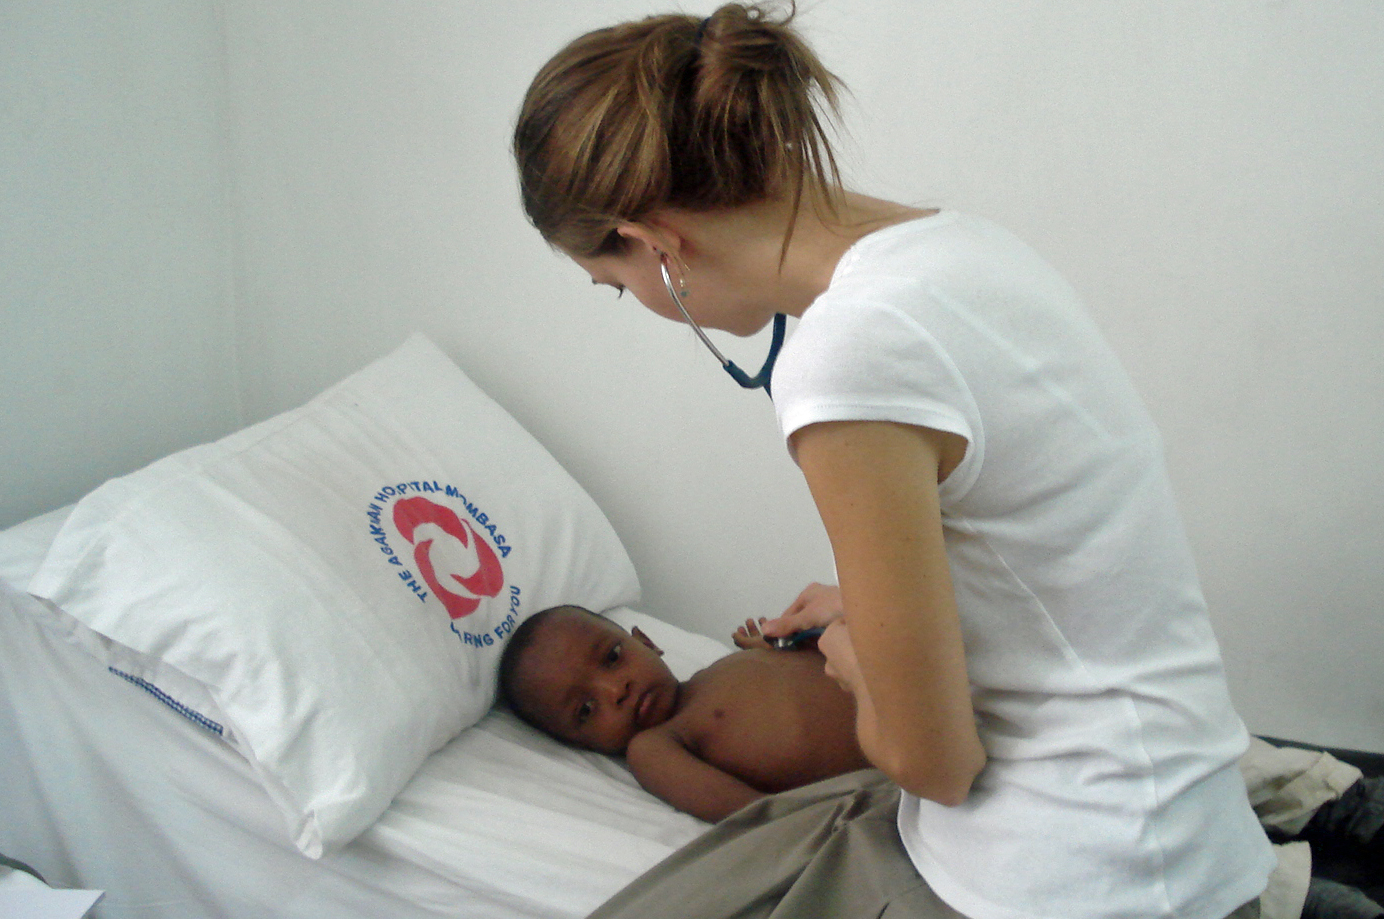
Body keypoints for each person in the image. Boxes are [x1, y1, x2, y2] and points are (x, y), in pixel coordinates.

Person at [512, 3, 1280, 917]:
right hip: (1178, 819)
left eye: (616, 285)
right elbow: (1043, 550)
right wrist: (865, 606)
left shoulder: (845, 358)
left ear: (655, 243)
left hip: (1086, 871)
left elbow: (934, 765)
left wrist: (851, 652)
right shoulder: (957, 247)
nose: (635, 301)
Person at [496, 604, 871, 822]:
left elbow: (828, 659)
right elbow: (751, 814)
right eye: (586, 709)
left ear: (647, 642)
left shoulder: (722, 668)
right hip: (881, 771)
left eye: (612, 658)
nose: (616, 691)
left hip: (902, 698)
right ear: (582, 744)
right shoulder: (653, 746)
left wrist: (780, 643)